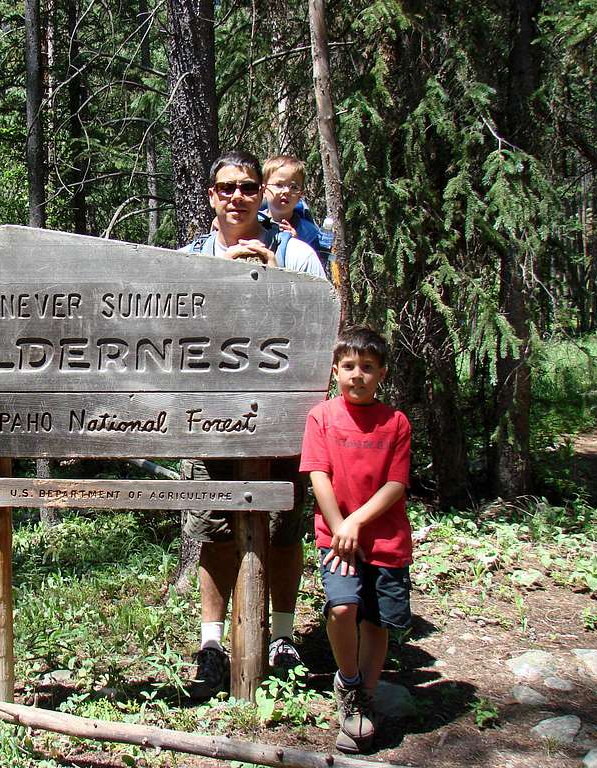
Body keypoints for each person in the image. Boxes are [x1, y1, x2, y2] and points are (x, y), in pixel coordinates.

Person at [180, 150, 326, 701]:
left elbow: (320, 329)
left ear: (260, 192)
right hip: (206, 417)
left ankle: (283, 637)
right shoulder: (187, 258)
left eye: (246, 187)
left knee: (284, 526)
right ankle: (212, 644)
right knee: (213, 531)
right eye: (225, 188)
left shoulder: (299, 253)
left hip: (283, 419)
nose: (236, 196)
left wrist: (275, 277)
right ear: (211, 194)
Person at [299, 326, 412, 753]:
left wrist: (355, 523)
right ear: (335, 371)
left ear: (381, 372)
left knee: (376, 620)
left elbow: (396, 485)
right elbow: (318, 474)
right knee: (343, 607)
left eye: (367, 367)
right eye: (349, 367)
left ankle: (364, 696)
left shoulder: (396, 422)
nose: (357, 375)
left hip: (384, 540)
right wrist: (339, 526)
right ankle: (347, 682)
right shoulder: (322, 417)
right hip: (335, 536)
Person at [257, 154, 329, 275]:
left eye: (294, 187)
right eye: (279, 185)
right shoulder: (253, 221)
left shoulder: (308, 231)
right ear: (264, 190)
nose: (286, 191)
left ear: (301, 195)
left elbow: (316, 268)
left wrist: (297, 244)